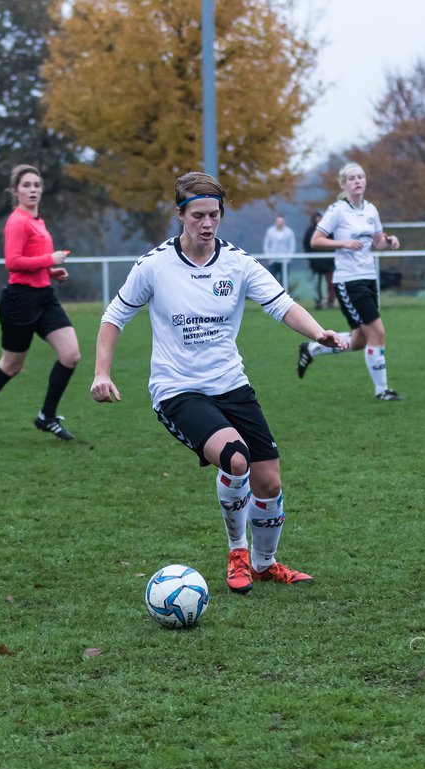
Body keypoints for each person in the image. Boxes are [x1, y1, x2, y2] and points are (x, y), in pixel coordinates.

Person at [91, 172, 346, 594]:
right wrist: (102, 373)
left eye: (214, 215)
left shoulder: (238, 263)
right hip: (178, 390)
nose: (207, 224)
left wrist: (318, 333)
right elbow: (113, 317)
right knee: (235, 457)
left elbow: (282, 304)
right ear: (180, 215)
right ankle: (237, 553)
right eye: (198, 216)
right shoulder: (154, 266)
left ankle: (265, 564)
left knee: (269, 481)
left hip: (231, 384)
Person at [0, 164, 78, 444]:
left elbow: (32, 261)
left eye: (36, 185)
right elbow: (12, 263)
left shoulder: (38, 220)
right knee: (11, 366)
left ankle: (47, 416)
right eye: (26, 185)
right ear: (15, 191)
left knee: (71, 355)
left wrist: (51, 272)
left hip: (45, 296)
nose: (33, 190)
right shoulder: (17, 221)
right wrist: (51, 260)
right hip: (20, 301)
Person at [296, 162, 403, 401]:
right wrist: (342, 243)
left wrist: (390, 241)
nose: (357, 181)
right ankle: (382, 390)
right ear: (344, 184)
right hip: (348, 281)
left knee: (359, 341)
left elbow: (378, 242)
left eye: (361, 177)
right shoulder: (337, 210)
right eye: (352, 178)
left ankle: (312, 349)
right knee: (377, 332)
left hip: (368, 279)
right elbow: (316, 240)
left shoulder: (371, 210)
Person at [303, 210, 336, 310]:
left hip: (329, 263)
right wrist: (311, 260)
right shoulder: (310, 231)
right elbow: (306, 246)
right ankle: (318, 302)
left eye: (320, 217)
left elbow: (334, 244)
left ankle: (330, 302)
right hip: (316, 264)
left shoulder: (329, 231)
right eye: (317, 217)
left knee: (331, 284)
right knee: (317, 284)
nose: (319, 219)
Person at [262, 214, 296, 289]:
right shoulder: (270, 231)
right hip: (272, 261)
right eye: (278, 221)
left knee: (284, 281)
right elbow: (266, 245)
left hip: (284, 261)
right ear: (275, 222)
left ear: (284, 222)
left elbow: (292, 246)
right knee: (271, 280)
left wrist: (288, 258)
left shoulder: (289, 232)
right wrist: (269, 257)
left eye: (281, 221)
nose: (280, 223)